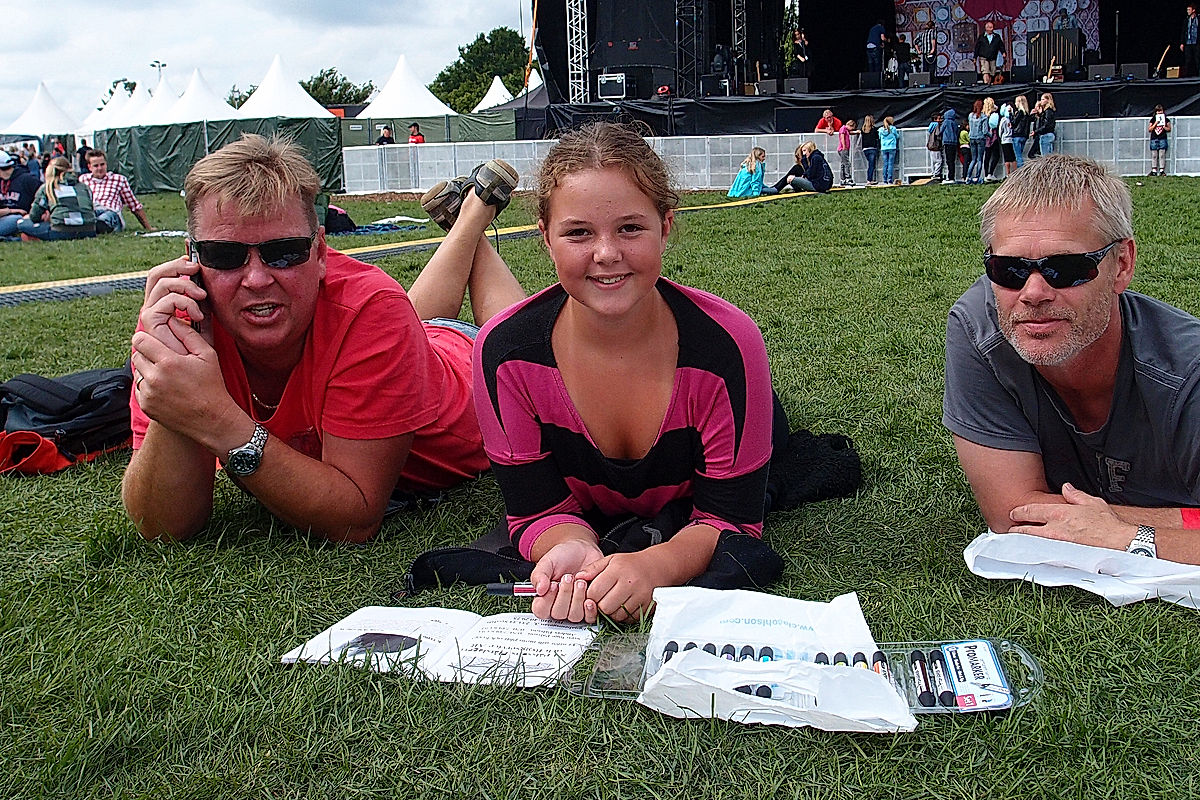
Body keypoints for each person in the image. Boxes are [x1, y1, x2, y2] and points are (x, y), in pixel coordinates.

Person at [121, 134, 527, 543]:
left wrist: (215, 418)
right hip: (410, 335)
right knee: (396, 317)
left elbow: (354, 518)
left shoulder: (374, 311)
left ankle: (472, 216)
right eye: (224, 255)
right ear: (193, 259)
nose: (257, 279)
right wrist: (176, 403)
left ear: (319, 254)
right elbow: (161, 527)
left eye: (284, 252)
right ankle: (467, 221)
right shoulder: (176, 316)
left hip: (471, 368)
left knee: (518, 347)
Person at [474, 123, 787, 623]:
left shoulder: (727, 347)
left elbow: (731, 518)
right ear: (546, 238)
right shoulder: (505, 355)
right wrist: (571, 545)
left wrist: (658, 565)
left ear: (665, 226)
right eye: (578, 232)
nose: (606, 253)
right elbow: (535, 511)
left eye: (630, 228)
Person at [944, 153, 1200, 565]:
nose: (1032, 293)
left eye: (1065, 269)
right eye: (1009, 270)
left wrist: (1126, 535)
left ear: (1122, 265)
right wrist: (1180, 525)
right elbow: (1014, 514)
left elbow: (1036, 516)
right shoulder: (981, 328)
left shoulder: (1188, 375)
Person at [16, 157, 96, 241]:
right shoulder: (84, 186)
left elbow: (34, 216)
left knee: (21, 223)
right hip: (89, 230)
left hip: (61, 230)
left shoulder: (48, 187)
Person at [80, 150, 155, 234]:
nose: (100, 168)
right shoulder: (83, 180)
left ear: (106, 164)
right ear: (89, 167)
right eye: (96, 166)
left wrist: (148, 227)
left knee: (106, 217)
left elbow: (134, 205)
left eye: (102, 164)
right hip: (92, 211)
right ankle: (90, 226)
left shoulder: (118, 179)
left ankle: (97, 226)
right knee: (88, 215)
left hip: (110, 211)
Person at [0, 151, 41, 240]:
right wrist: (10, 211)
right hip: (5, 217)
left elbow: (43, 199)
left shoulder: (28, 179)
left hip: (23, 219)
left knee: (17, 218)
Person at [974, 21, 1004, 85]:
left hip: (993, 57)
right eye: (990, 27)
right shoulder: (981, 37)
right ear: (986, 28)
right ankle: (986, 83)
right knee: (985, 71)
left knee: (992, 72)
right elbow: (977, 47)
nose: (991, 29)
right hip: (983, 57)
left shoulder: (997, 36)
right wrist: (975, 57)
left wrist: (1003, 52)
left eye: (992, 27)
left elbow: (1001, 45)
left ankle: (989, 84)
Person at [967, 99, 987, 184]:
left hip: (972, 138)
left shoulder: (970, 115)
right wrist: (990, 135)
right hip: (980, 138)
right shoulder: (984, 117)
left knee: (973, 159)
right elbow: (985, 131)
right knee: (980, 159)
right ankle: (977, 177)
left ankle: (968, 177)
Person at [1148, 104, 1172, 176]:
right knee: (1154, 155)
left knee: (1162, 154)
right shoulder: (1153, 119)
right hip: (1154, 138)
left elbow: (1169, 129)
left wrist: (1165, 127)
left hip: (1162, 138)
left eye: (1161, 111)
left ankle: (1162, 170)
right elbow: (1150, 129)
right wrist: (1156, 123)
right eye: (1158, 111)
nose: (1159, 112)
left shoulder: (1166, 119)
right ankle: (1154, 170)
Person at [982, 97, 1002, 181]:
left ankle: (986, 174)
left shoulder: (983, 114)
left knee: (987, 156)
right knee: (996, 155)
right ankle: (990, 173)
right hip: (993, 136)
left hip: (986, 139)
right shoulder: (994, 114)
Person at [1011, 94, 1032, 168]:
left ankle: (1021, 170)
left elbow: (1013, 123)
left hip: (1017, 135)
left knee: (1018, 156)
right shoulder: (1027, 114)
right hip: (1024, 136)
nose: (1015, 104)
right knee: (1020, 154)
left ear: (1019, 102)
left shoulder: (1020, 112)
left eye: (1016, 102)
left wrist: (1011, 114)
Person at [941, 107, 960, 183]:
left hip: (947, 142)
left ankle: (950, 177)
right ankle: (952, 176)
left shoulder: (945, 122)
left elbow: (941, 130)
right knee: (952, 160)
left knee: (948, 160)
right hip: (954, 143)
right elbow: (957, 131)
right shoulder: (954, 123)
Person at [879, 116, 900, 185]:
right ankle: (890, 179)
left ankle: (885, 180)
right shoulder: (893, 129)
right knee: (890, 163)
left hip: (884, 148)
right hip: (892, 147)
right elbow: (897, 136)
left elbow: (879, 137)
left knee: (885, 164)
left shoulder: (881, 130)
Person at [1034, 92, 1057, 156]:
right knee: (1050, 156)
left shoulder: (1047, 111)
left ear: (1048, 100)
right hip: (1050, 134)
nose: (1041, 101)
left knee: (1045, 156)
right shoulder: (1050, 111)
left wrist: (1036, 131)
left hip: (1045, 135)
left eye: (1043, 99)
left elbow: (1046, 124)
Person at [837, 118, 858, 186]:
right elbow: (842, 137)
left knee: (843, 164)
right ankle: (848, 178)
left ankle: (843, 179)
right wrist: (844, 146)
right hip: (843, 149)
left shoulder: (846, 130)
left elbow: (849, 132)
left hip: (844, 149)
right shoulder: (843, 129)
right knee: (847, 163)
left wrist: (856, 132)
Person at [860, 115, 880, 185]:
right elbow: (877, 138)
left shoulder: (863, 130)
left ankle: (870, 179)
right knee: (871, 165)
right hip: (872, 148)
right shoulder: (874, 129)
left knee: (870, 164)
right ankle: (869, 179)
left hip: (865, 149)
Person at [998, 103, 1016, 178]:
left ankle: (1008, 174)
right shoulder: (1012, 119)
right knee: (1013, 157)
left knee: (1007, 158)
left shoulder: (1003, 119)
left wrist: (1001, 136)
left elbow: (1000, 130)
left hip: (1005, 140)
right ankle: (1015, 172)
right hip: (1011, 139)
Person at [927, 112, 945, 181]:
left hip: (931, 145)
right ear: (935, 119)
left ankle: (933, 173)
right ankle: (936, 174)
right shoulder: (937, 125)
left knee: (933, 161)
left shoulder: (931, 125)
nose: (940, 120)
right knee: (939, 161)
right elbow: (938, 134)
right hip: (936, 145)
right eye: (939, 118)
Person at [1183, 5, 1200, 78]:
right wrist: (1182, 43)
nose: (1188, 11)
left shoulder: (1198, 19)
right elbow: (1184, 31)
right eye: (1187, 10)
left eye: (1189, 10)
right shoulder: (1187, 19)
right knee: (1188, 59)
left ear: (1193, 10)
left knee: (1198, 59)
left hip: (1196, 42)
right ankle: (1187, 75)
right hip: (1188, 42)